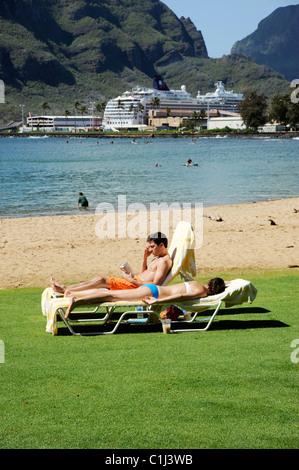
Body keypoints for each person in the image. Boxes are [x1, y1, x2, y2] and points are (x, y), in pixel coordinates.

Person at [50, 232, 173, 297]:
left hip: (135, 288)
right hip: (133, 282)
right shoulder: (158, 258)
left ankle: (65, 289)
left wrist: (133, 281)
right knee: (99, 280)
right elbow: (144, 274)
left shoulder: (163, 261)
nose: (150, 250)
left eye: (152, 247)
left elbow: (156, 284)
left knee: (100, 280)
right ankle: (67, 289)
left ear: (161, 245)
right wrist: (144, 259)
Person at [64, 278, 226, 318]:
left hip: (153, 288)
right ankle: (76, 300)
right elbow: (180, 296)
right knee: (111, 295)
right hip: (154, 294)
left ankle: (74, 295)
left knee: (112, 296)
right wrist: (158, 301)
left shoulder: (196, 282)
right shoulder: (202, 293)